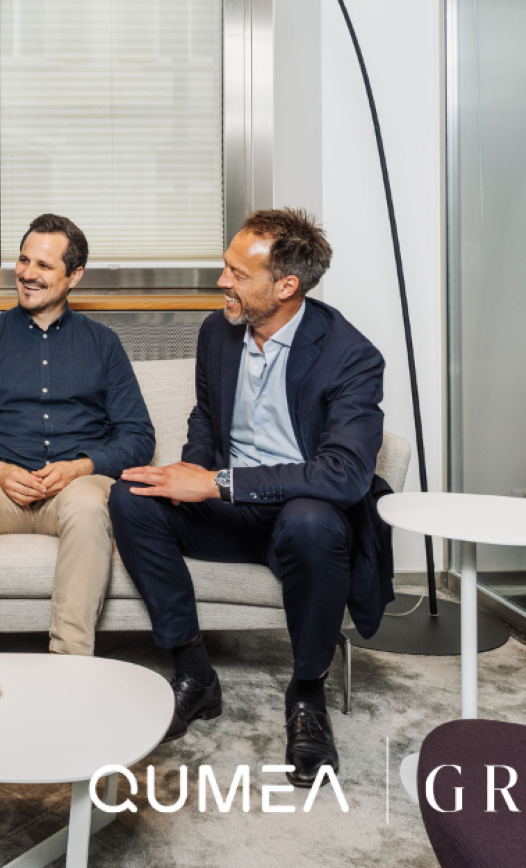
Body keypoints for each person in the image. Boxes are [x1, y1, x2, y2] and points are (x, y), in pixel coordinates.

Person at [108, 208, 393, 787]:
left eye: (238, 273)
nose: (223, 282)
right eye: (226, 267)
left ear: (286, 286)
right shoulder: (218, 332)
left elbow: (344, 475)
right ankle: (194, 670)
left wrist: (216, 483)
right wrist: (194, 465)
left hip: (298, 517)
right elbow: (205, 414)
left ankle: (307, 694)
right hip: (228, 513)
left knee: (313, 521)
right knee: (131, 496)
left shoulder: (349, 355)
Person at [0, 213, 155, 657]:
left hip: (73, 490)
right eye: (23, 260)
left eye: (44, 265)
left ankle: (70, 658)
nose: (28, 273)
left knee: (89, 504)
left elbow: (138, 436)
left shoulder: (104, 344)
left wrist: (80, 468)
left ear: (75, 276)